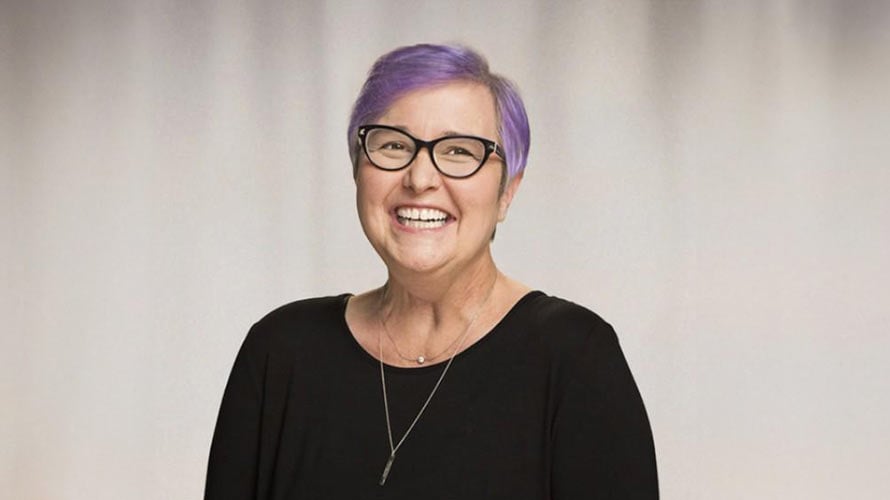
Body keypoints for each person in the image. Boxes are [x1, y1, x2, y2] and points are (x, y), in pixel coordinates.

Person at [205, 43, 658, 499]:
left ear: (507, 192)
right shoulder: (280, 352)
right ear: (358, 170)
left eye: (460, 151)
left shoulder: (574, 358)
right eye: (394, 145)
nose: (420, 179)